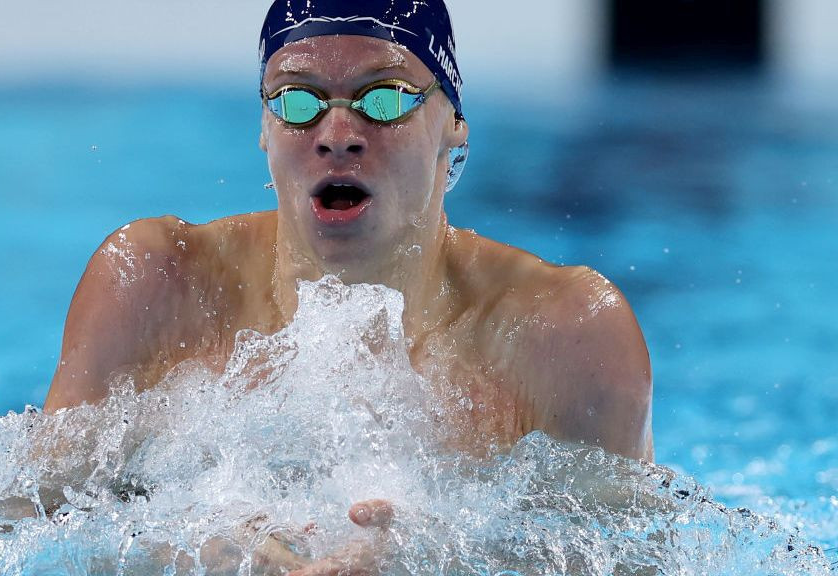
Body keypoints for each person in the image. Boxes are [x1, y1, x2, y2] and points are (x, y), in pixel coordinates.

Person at [42, 0, 653, 572]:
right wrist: (193, 556)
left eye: (383, 99)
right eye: (298, 101)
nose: (337, 132)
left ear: (453, 125)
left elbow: (639, 557)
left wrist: (440, 560)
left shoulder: (566, 331)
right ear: (263, 127)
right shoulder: (157, 283)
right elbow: (22, 526)